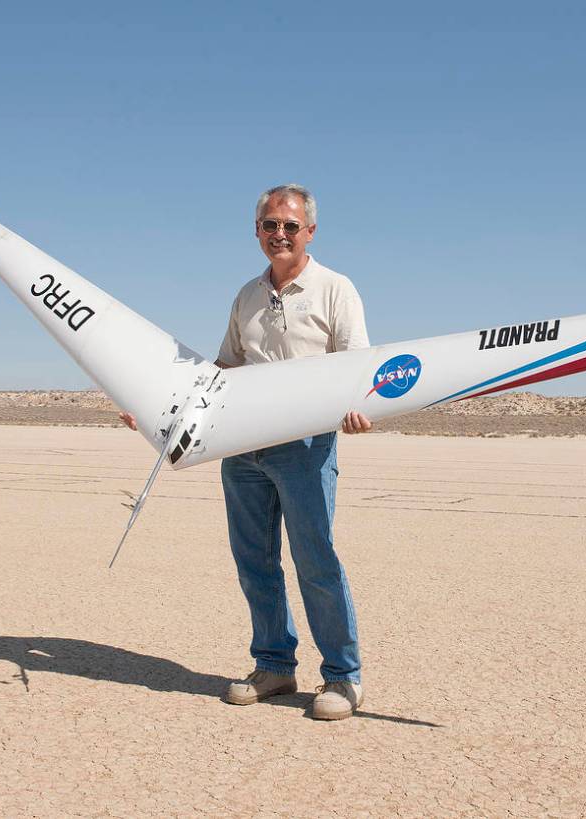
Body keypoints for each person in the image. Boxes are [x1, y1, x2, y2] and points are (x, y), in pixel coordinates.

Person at [120, 184, 372, 720]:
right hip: (242, 447)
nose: (279, 234)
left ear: (309, 231)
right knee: (255, 562)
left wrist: (358, 411)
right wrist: (155, 409)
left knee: (315, 560)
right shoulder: (246, 295)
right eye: (268, 225)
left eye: (289, 225)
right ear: (256, 230)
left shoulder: (335, 289)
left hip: (304, 448)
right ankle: (275, 665)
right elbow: (224, 370)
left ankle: (343, 679)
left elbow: (358, 368)